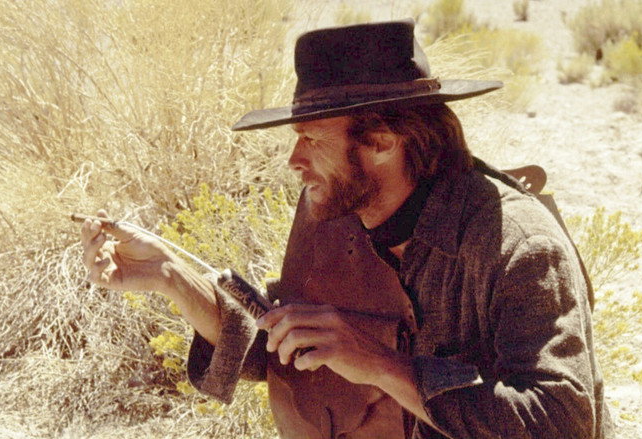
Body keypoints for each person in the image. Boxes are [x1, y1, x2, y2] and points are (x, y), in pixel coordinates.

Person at [81, 20, 613, 438]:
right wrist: (171, 277)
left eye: (312, 139)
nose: (294, 160)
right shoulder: (340, 216)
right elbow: (284, 352)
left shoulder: (516, 244)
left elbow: (561, 422)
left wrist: (382, 365)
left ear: (382, 142)